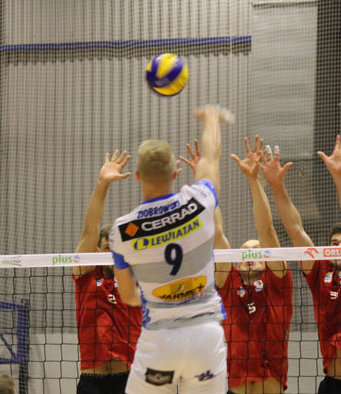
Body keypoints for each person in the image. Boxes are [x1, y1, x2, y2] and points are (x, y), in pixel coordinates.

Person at [109, 105, 230, 393]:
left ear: (137, 176)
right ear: (176, 173)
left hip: (160, 343)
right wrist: (211, 118)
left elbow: (128, 296)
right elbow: (211, 159)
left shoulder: (122, 232)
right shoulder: (200, 201)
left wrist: (162, 295)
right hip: (205, 338)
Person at [260, 135, 341, 394]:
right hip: (331, 384)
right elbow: (295, 229)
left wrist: (338, 176)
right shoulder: (320, 271)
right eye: (334, 243)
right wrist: (276, 186)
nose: (340, 247)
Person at [181, 136, 293, 394]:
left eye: (256, 251)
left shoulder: (278, 283)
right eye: (243, 253)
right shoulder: (228, 282)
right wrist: (203, 182)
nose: (249, 256)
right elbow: (217, 234)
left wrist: (253, 179)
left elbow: (267, 230)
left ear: (266, 259)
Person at [73, 150, 142, 394]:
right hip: (93, 382)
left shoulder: (138, 280)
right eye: (107, 248)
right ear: (97, 250)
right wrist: (102, 184)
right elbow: (89, 228)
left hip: (130, 379)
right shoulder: (86, 274)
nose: (113, 253)